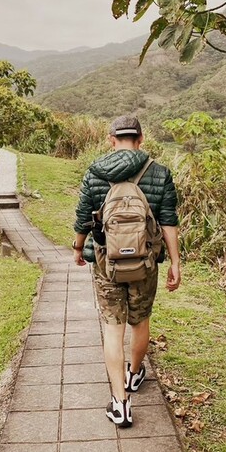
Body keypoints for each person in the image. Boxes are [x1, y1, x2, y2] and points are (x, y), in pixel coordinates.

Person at [72, 115, 181, 428]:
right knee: (140, 321)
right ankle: (134, 375)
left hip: (106, 264)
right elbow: (168, 221)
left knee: (112, 328)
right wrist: (175, 260)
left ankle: (120, 403)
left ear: (111, 140)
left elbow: (83, 219)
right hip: (145, 263)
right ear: (141, 139)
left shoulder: (95, 172)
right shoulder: (159, 173)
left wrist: (80, 248)